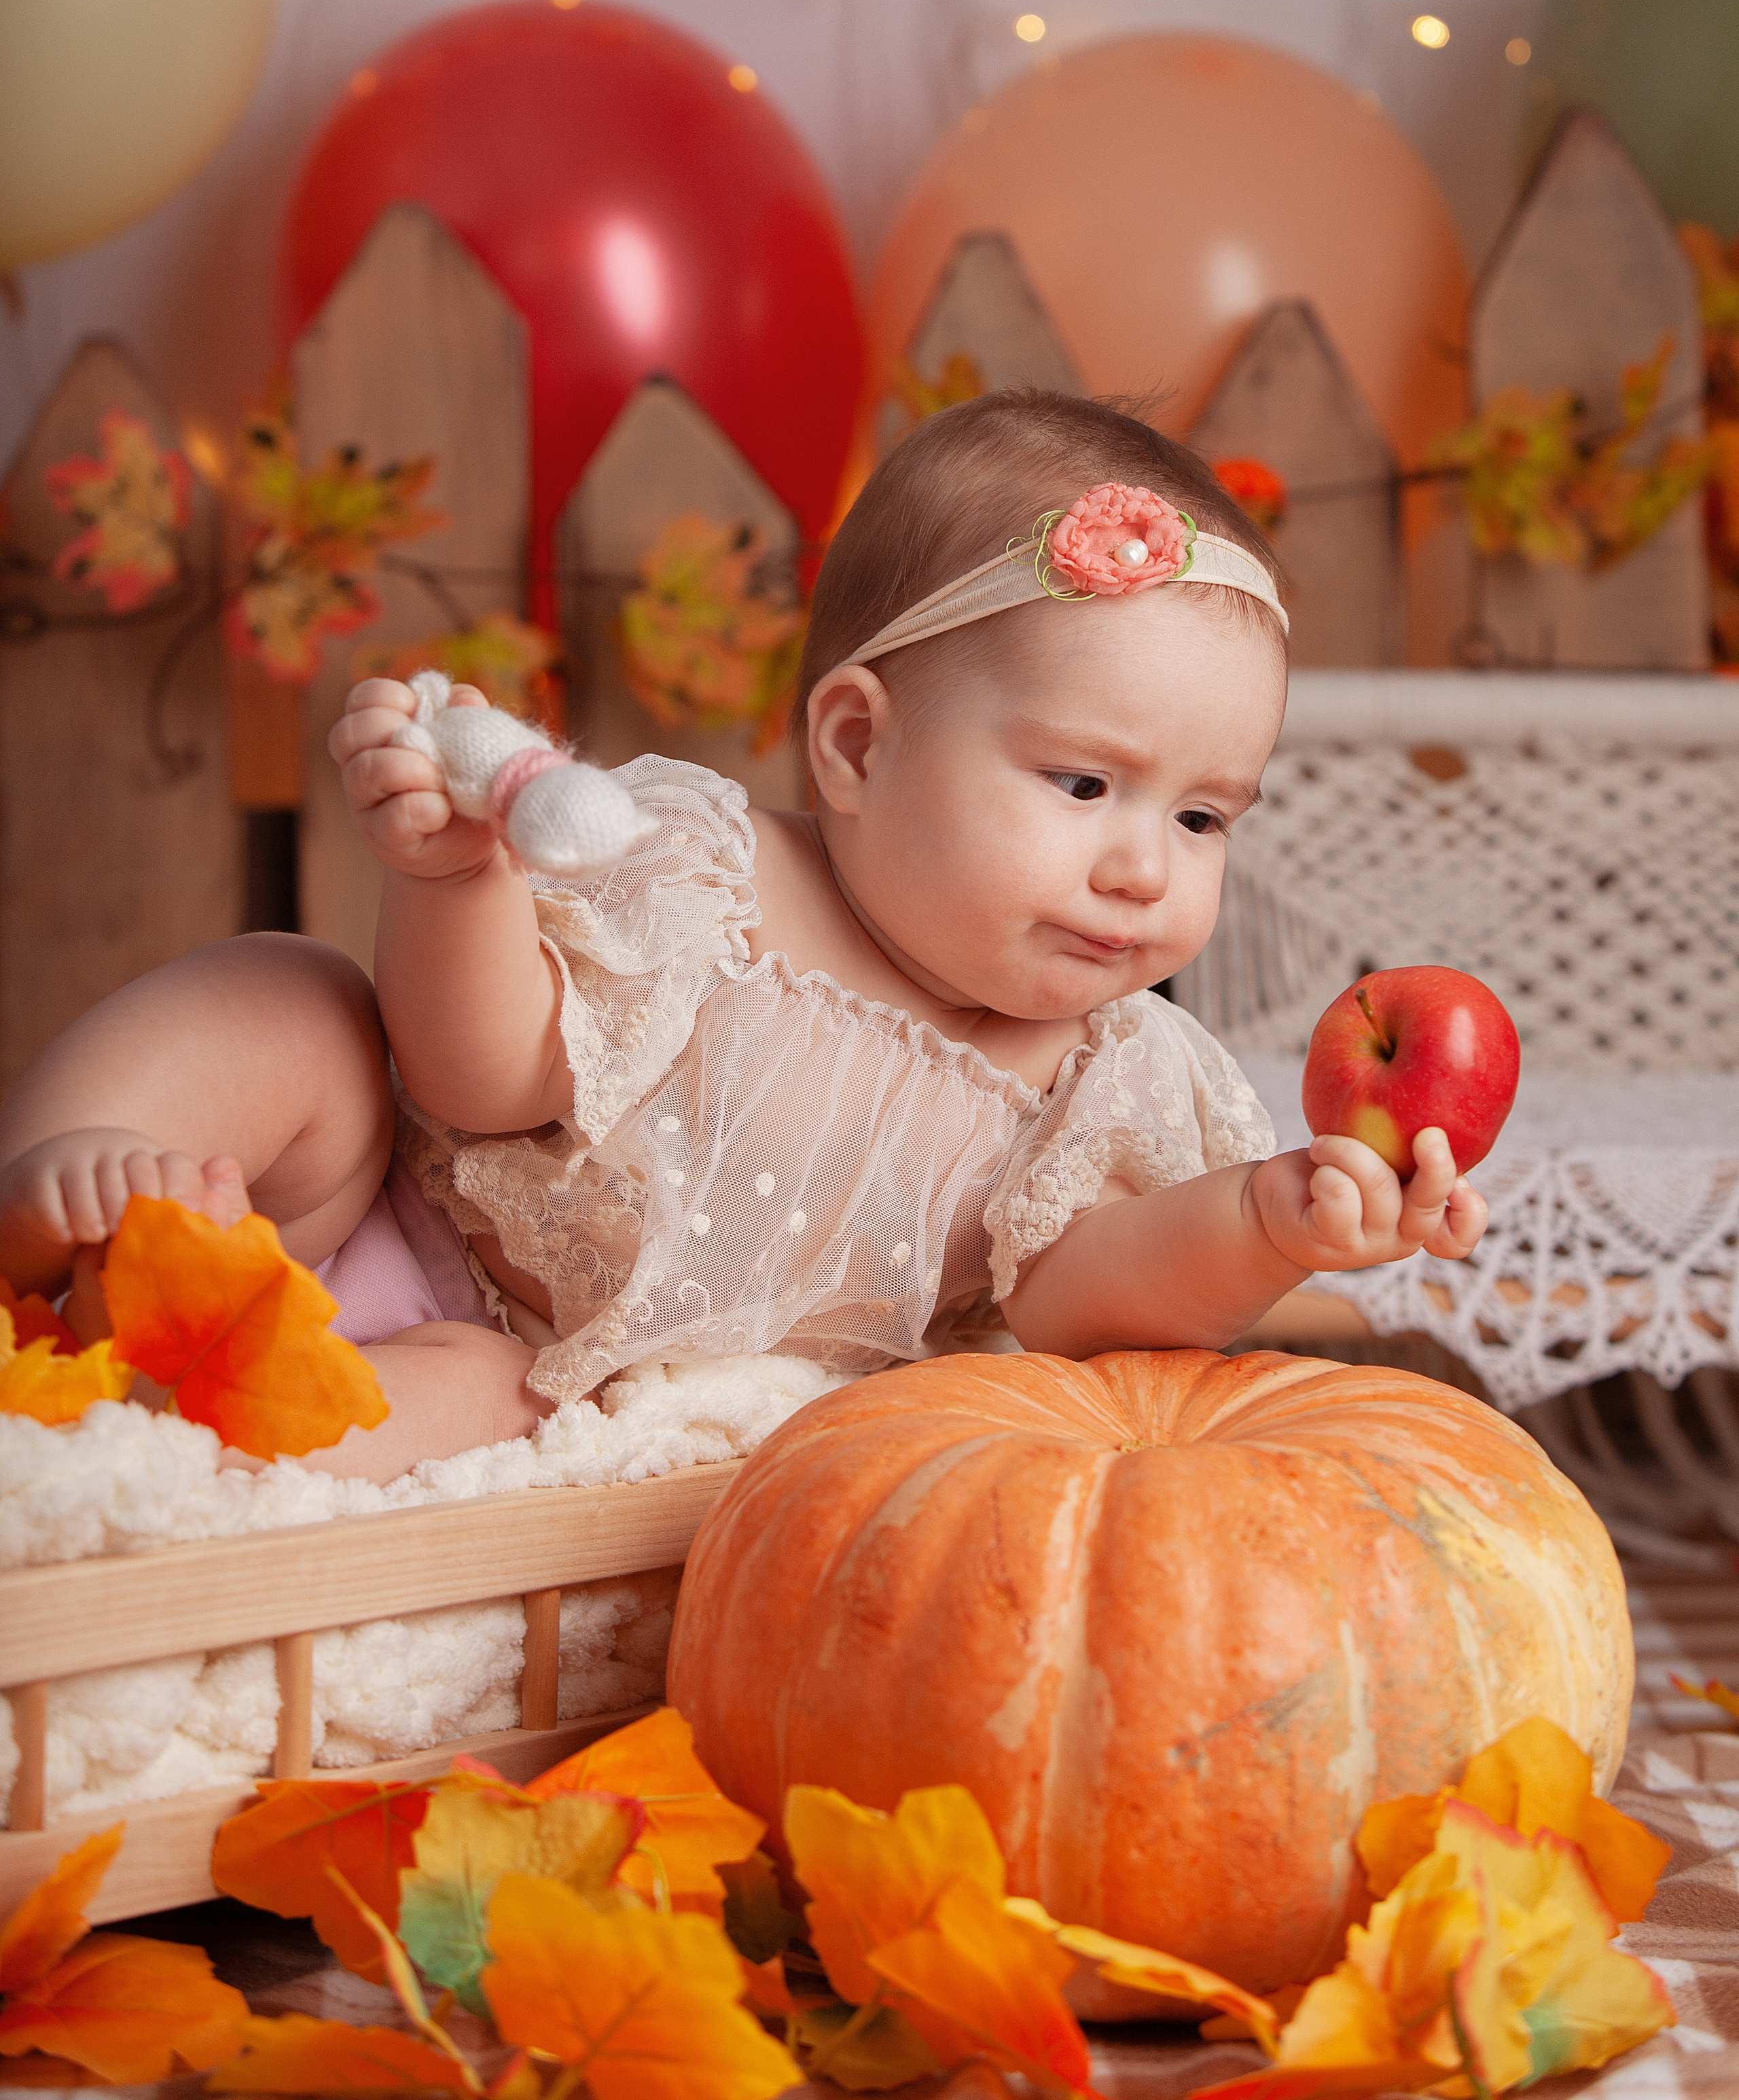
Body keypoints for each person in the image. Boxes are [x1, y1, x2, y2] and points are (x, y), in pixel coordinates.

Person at [0, 391, 1487, 1480]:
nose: (1138, 870)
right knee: (288, 1004)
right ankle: (58, 1185)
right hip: (367, 1197)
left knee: (486, 1419)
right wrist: (461, 884)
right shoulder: (705, 875)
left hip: (503, 1362)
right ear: (855, 747)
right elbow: (479, 1083)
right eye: (1085, 783)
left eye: (1201, 820)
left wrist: (1264, 1223)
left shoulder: (1101, 1073)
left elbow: (1078, 1299)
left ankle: (172, 1459)